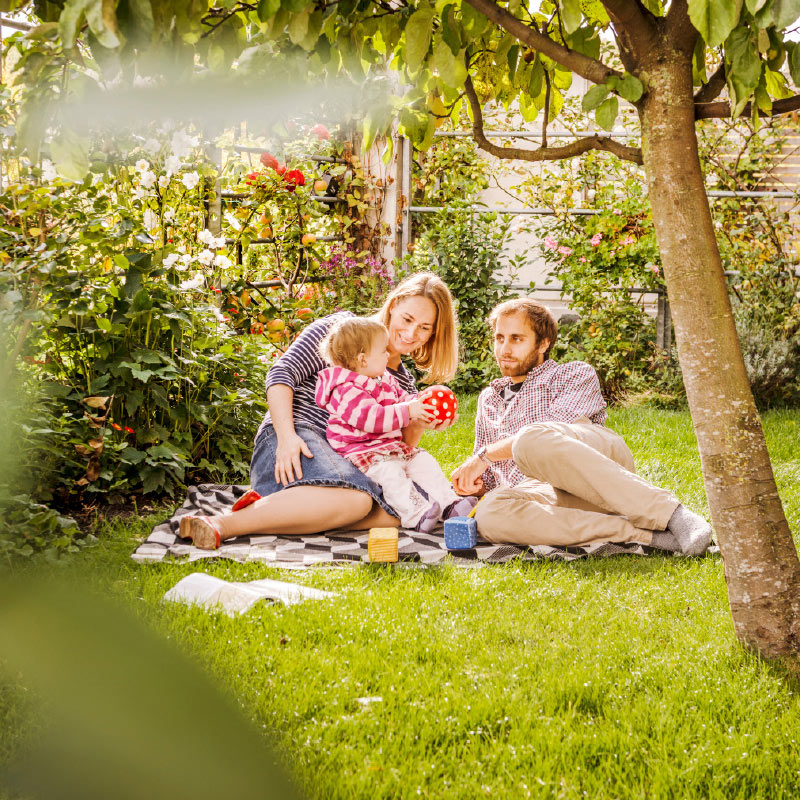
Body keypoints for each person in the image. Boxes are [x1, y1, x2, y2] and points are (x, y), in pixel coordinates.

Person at [180, 272, 459, 549]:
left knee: (400, 509)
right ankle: (222, 524)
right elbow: (281, 373)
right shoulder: (343, 330)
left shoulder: (402, 381)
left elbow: (394, 449)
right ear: (394, 304)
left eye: (424, 327)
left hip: (352, 458)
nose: (411, 334)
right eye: (407, 319)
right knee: (359, 501)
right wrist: (287, 438)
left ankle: (273, 508)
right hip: (297, 438)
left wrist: (418, 422)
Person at [450, 298, 713, 555]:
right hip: (551, 496)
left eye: (516, 339)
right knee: (490, 515)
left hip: (599, 469)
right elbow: (491, 478)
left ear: (544, 343)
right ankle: (649, 536)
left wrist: (484, 456)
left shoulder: (572, 374)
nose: (504, 349)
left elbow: (550, 435)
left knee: (531, 440)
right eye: (499, 338)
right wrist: (474, 484)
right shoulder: (489, 400)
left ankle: (673, 515)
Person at [315, 316, 476, 532]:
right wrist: (408, 411)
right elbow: (371, 418)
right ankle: (416, 514)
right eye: (383, 351)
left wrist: (421, 405)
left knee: (423, 462)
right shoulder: (344, 389)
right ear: (363, 359)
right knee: (392, 476)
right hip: (365, 454)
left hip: (391, 448)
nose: (388, 354)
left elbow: (401, 400)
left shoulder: (383, 379)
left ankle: (450, 505)